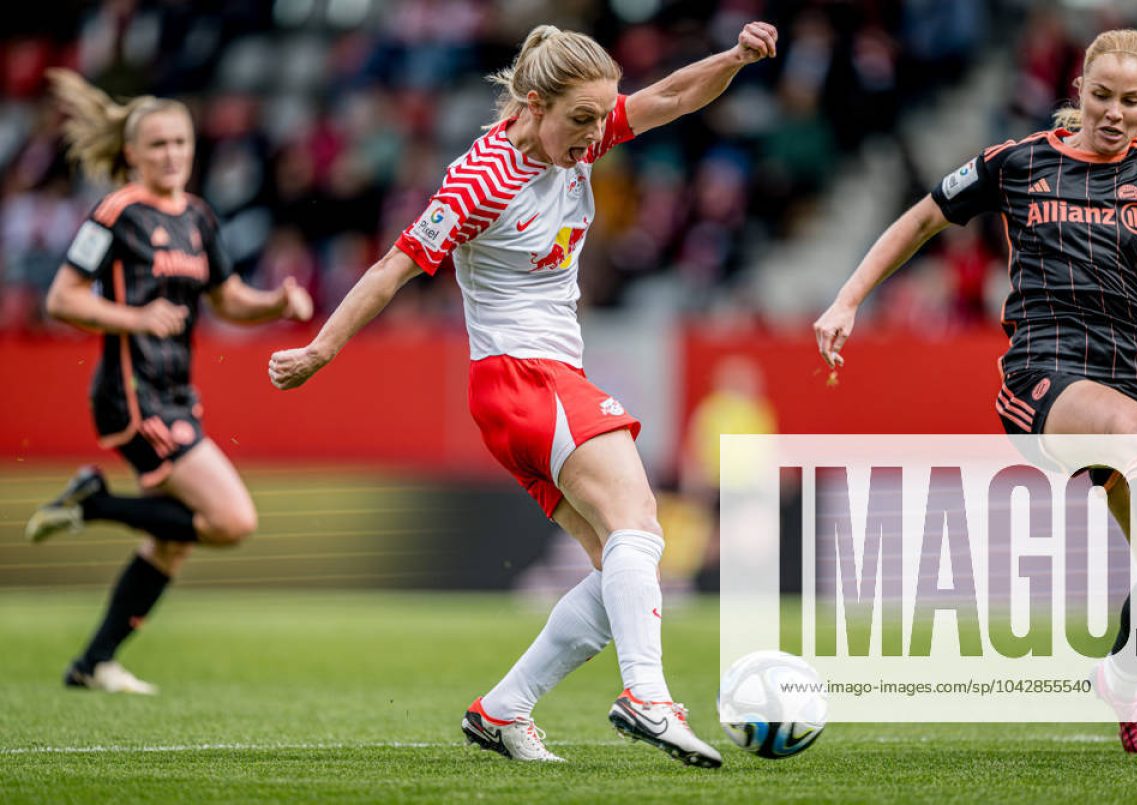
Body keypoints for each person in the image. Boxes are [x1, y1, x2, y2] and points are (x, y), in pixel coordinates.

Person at [269, 22, 779, 767]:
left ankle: (503, 709)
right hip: (524, 376)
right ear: (534, 105)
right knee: (639, 523)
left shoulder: (578, 140)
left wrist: (734, 58)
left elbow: (671, 96)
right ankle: (647, 695)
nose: (596, 133)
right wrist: (320, 348)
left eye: (601, 117)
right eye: (581, 118)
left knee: (621, 562)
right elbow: (392, 268)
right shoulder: (480, 180)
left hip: (525, 390)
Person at [814, 28, 1137, 756]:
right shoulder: (1018, 162)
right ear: (1078, 89)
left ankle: (1122, 678)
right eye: (1102, 96)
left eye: (1131, 101)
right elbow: (923, 217)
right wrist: (848, 298)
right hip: (1045, 376)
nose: (1114, 113)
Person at [25, 69, 313, 694]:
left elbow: (227, 299)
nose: (171, 154)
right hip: (133, 394)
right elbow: (61, 298)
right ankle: (92, 503)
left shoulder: (199, 217)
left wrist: (275, 302)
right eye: (157, 144)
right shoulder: (116, 213)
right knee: (231, 521)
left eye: (180, 142)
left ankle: (93, 662)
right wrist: (135, 317)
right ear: (132, 153)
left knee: (171, 543)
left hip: (176, 393)